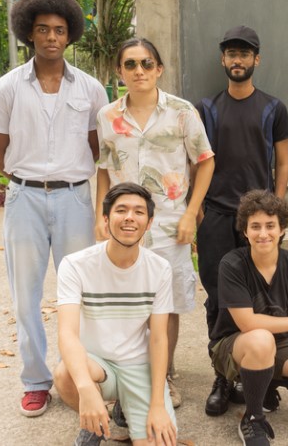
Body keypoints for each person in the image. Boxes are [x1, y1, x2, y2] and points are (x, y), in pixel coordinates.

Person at [0, 0, 108, 417]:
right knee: (25, 295)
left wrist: (67, 176)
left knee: (82, 293)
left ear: (69, 35)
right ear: (28, 34)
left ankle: (80, 375)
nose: (51, 37)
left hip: (74, 200)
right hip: (25, 199)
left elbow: (97, 146)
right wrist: (27, 178)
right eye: (42, 29)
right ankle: (35, 380)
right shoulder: (7, 87)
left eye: (59, 29)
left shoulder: (90, 89)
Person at [95, 37, 215, 407]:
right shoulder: (107, 117)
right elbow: (103, 168)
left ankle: (163, 375)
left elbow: (206, 161)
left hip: (168, 225)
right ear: (119, 72)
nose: (139, 71)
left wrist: (192, 213)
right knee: (123, 301)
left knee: (167, 303)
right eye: (130, 64)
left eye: (146, 64)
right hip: (123, 226)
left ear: (159, 69)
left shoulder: (181, 112)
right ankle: (127, 374)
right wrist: (101, 214)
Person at [195, 25, 288, 416]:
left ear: (257, 59)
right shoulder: (207, 108)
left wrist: (275, 211)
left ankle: (261, 378)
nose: (238, 60)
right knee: (219, 300)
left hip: (259, 222)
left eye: (245, 53)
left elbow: (282, 162)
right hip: (217, 216)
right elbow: (200, 161)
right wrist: (198, 208)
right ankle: (223, 376)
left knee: (263, 297)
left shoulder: (273, 108)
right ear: (223, 60)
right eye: (231, 54)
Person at [54, 182, 177, 446]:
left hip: (138, 366)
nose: (130, 217)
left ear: (149, 222)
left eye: (139, 212)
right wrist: (86, 390)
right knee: (65, 374)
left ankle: (127, 406)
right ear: (107, 219)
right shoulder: (75, 266)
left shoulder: (160, 268)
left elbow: (158, 339)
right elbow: (67, 333)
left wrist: (157, 404)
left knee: (158, 442)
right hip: (97, 364)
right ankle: (95, 424)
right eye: (121, 210)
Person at [210, 190, 288, 445]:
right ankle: (252, 419)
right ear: (245, 231)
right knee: (260, 340)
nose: (263, 233)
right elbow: (247, 323)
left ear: (281, 229)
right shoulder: (232, 264)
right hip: (235, 344)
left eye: (270, 225)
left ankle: (264, 386)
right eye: (255, 226)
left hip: (278, 342)